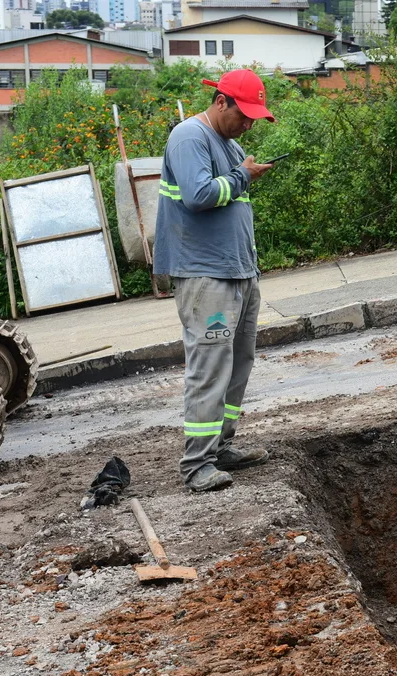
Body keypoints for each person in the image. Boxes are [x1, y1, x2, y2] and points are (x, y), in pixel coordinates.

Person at [156, 70, 277, 493]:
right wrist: (243, 175)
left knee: (237, 364)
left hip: (239, 273)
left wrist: (243, 173)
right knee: (209, 368)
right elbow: (199, 196)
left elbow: (228, 196)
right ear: (221, 101)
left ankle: (220, 447)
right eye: (244, 115)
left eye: (255, 118)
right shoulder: (190, 137)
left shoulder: (230, 143)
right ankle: (197, 464)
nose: (249, 124)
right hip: (207, 278)